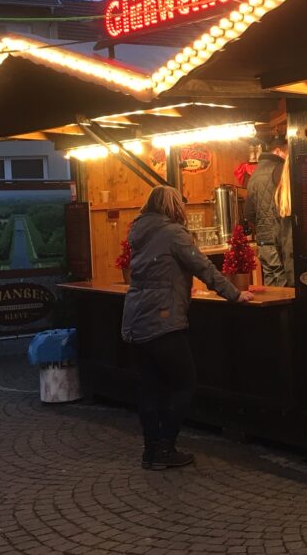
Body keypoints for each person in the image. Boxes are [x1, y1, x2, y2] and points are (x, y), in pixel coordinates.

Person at [121, 185, 253, 471]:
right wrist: (235, 293)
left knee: (149, 387)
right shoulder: (172, 233)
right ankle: (166, 446)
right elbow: (203, 266)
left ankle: (151, 450)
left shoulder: (138, 232)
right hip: (163, 319)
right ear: (173, 207)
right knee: (185, 382)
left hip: (135, 318)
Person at [245, 136, 290, 286]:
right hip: (278, 239)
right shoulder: (280, 170)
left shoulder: (254, 174)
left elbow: (249, 213)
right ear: (278, 151)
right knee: (282, 279)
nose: (288, 157)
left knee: (269, 279)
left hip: (262, 240)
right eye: (287, 153)